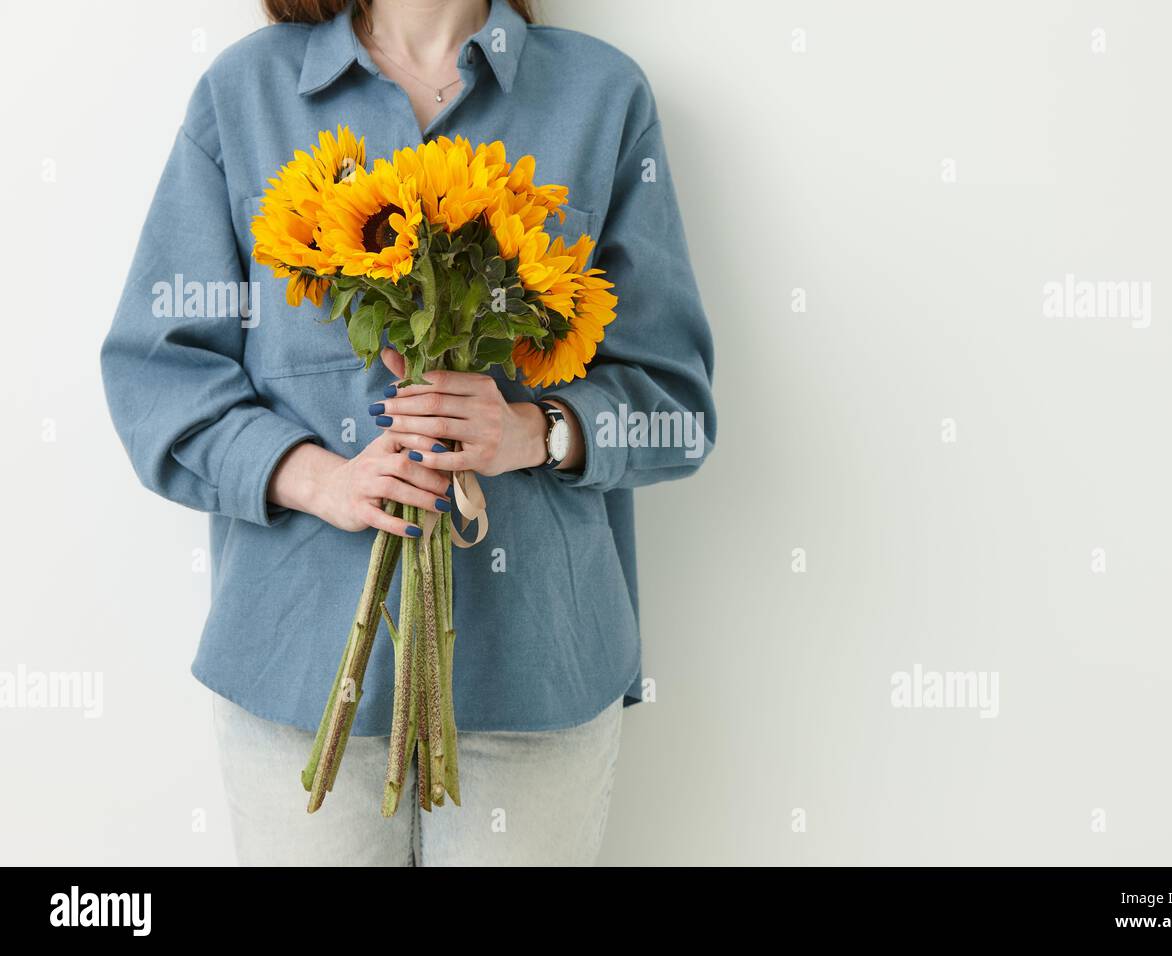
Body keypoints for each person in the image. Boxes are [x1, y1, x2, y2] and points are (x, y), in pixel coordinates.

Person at [100, 0, 716, 865]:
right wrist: (319, 479)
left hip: (537, 678)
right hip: (298, 677)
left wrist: (534, 432)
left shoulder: (601, 94)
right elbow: (154, 374)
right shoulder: (244, 94)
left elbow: (677, 403)